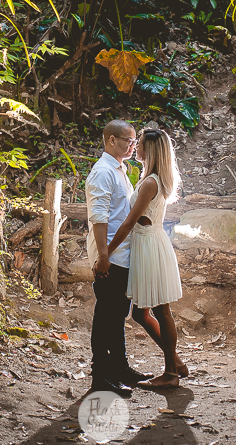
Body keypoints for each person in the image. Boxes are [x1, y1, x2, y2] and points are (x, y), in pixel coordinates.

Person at [105, 127, 187, 389]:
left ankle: (171, 373)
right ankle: (174, 362)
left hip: (149, 244)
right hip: (150, 242)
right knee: (143, 313)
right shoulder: (150, 178)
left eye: (138, 143)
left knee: (161, 310)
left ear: (149, 149)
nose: (134, 146)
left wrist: (107, 251)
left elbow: (129, 222)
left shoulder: (151, 181)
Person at [86, 119, 154, 398]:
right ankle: (100, 376)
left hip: (121, 254)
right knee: (106, 317)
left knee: (116, 316)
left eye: (134, 141)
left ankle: (120, 368)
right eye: (128, 140)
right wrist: (104, 255)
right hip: (110, 256)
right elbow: (99, 217)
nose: (132, 145)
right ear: (111, 140)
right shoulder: (103, 172)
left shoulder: (120, 169)